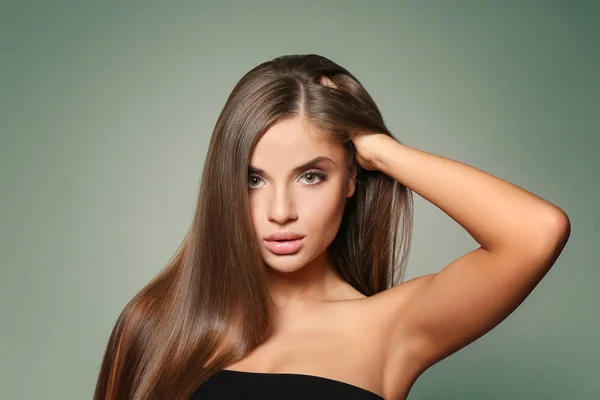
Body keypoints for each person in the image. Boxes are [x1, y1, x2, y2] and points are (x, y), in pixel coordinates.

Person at [93, 54, 571, 400]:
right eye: (253, 179)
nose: (281, 210)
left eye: (311, 175)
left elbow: (537, 232)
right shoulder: (155, 323)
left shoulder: (390, 328)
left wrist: (380, 148)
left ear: (351, 178)